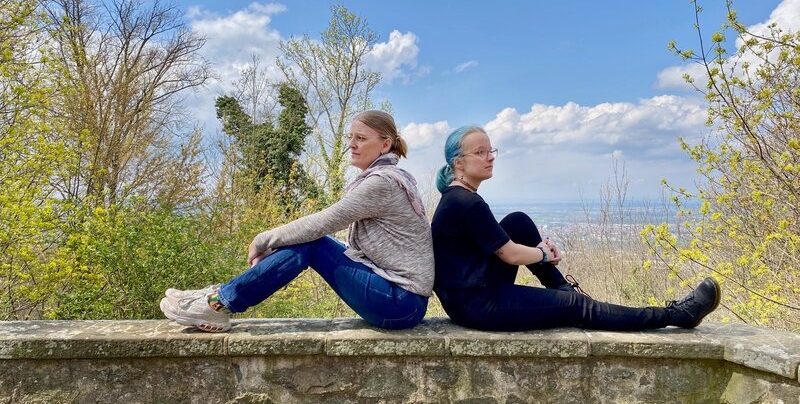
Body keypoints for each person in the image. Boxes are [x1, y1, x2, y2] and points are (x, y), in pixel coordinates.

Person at [161, 111, 434, 332]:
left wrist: (263, 240)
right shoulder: (392, 179)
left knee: (312, 243)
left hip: (400, 303)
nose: (351, 144)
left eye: (361, 138)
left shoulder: (383, 183)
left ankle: (218, 303)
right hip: (397, 298)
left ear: (385, 144)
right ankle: (219, 297)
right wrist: (278, 244)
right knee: (312, 242)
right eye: (350, 137)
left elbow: (323, 222)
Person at [430, 125, 721, 331]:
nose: (490, 157)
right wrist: (543, 254)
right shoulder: (465, 202)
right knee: (576, 308)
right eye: (480, 152)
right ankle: (675, 315)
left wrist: (539, 253)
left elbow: (502, 247)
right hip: (478, 304)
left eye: (491, 150)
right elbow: (511, 255)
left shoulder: (459, 196)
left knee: (517, 221)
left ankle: (563, 289)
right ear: (459, 163)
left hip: (474, 291)